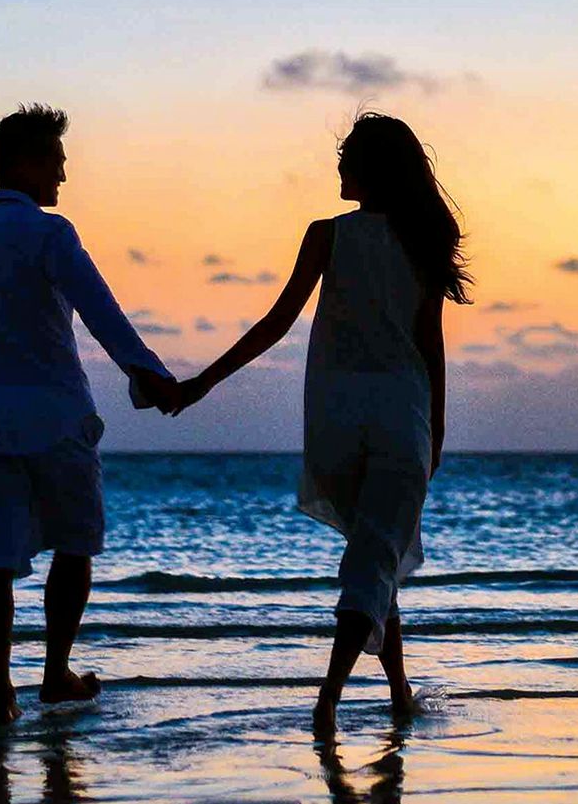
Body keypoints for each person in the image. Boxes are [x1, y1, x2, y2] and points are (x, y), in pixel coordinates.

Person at [170, 113, 470, 736]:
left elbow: (276, 323)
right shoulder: (421, 241)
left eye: (345, 156)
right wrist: (437, 432)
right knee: (372, 560)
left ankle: (399, 693)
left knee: (375, 555)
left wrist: (203, 382)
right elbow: (430, 346)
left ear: (370, 169)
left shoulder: (326, 235)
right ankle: (328, 701)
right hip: (401, 422)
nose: (337, 166)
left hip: (335, 427)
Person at [0, 103, 181, 725]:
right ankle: (54, 673)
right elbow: (100, 311)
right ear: (26, 162)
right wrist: (149, 375)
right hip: (54, 416)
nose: (63, 178)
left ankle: (1, 695)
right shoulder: (51, 234)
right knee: (74, 546)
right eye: (57, 162)